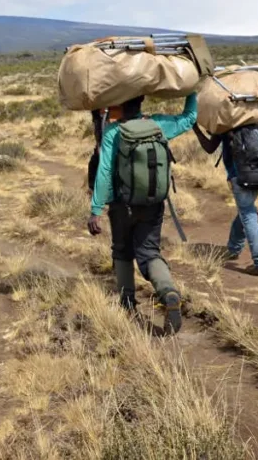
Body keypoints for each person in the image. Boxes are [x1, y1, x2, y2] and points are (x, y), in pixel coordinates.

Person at [87, 93, 197, 334]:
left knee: (123, 251)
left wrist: (96, 209)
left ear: (119, 105)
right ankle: (168, 291)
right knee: (149, 252)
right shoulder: (157, 125)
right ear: (141, 101)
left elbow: (104, 171)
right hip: (153, 204)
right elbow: (190, 118)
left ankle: (127, 303)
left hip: (121, 205)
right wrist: (192, 91)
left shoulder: (113, 133)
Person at [192, 124, 258, 277]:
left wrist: (195, 128)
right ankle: (234, 248)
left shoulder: (225, 122)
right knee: (246, 210)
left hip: (240, 177)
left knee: (248, 214)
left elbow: (209, 148)